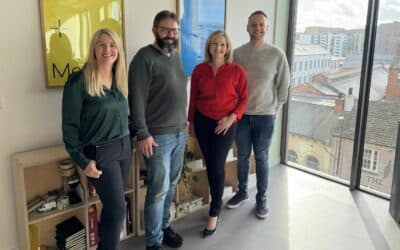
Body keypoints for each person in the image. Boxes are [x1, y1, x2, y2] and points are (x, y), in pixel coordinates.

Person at [62, 28, 131, 250]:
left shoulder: (119, 78)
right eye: (101, 44)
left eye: (112, 45)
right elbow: (70, 129)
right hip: (101, 152)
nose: (107, 50)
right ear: (93, 48)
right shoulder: (79, 81)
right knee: (118, 208)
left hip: (124, 148)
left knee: (113, 209)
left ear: (119, 50)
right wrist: (83, 162)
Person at [128, 10, 187, 250]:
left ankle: (163, 227)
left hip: (179, 133)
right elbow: (137, 99)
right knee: (158, 190)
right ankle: (153, 243)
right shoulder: (144, 58)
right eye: (166, 30)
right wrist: (141, 132)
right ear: (155, 29)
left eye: (174, 30)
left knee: (171, 185)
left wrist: (185, 121)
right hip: (157, 138)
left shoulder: (177, 56)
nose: (170, 35)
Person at [227, 10, 290, 219]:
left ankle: (261, 198)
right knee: (243, 156)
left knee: (261, 157)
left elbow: (284, 85)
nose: (257, 28)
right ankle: (243, 192)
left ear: (267, 27)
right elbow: (230, 84)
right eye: (253, 24)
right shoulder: (237, 54)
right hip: (241, 116)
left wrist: (274, 109)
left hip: (265, 116)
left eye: (261, 24)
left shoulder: (277, 54)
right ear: (247, 27)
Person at [188, 30, 248, 237]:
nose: (218, 47)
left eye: (222, 44)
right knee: (210, 163)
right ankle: (215, 204)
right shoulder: (199, 70)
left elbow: (244, 99)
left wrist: (232, 118)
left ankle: (214, 211)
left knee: (216, 165)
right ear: (209, 47)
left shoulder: (237, 71)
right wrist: (191, 122)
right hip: (203, 121)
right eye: (215, 43)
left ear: (227, 47)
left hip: (226, 123)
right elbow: (193, 98)